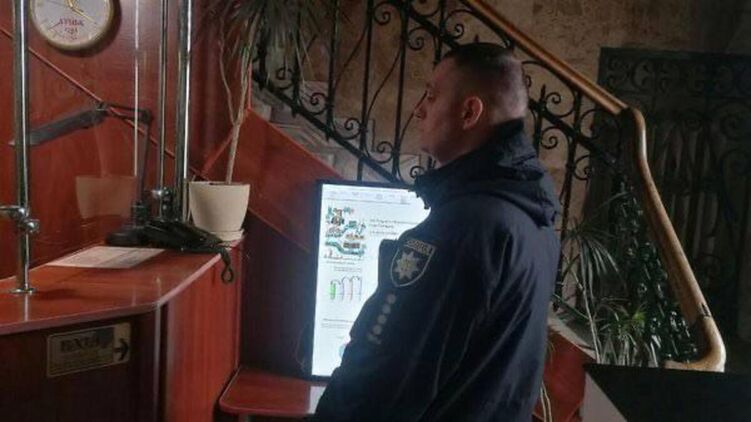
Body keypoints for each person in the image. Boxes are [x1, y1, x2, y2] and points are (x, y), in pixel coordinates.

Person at [314, 42, 561, 421]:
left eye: (431, 96)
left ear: (469, 112)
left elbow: (383, 382)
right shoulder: (534, 221)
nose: (419, 110)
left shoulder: (462, 230)